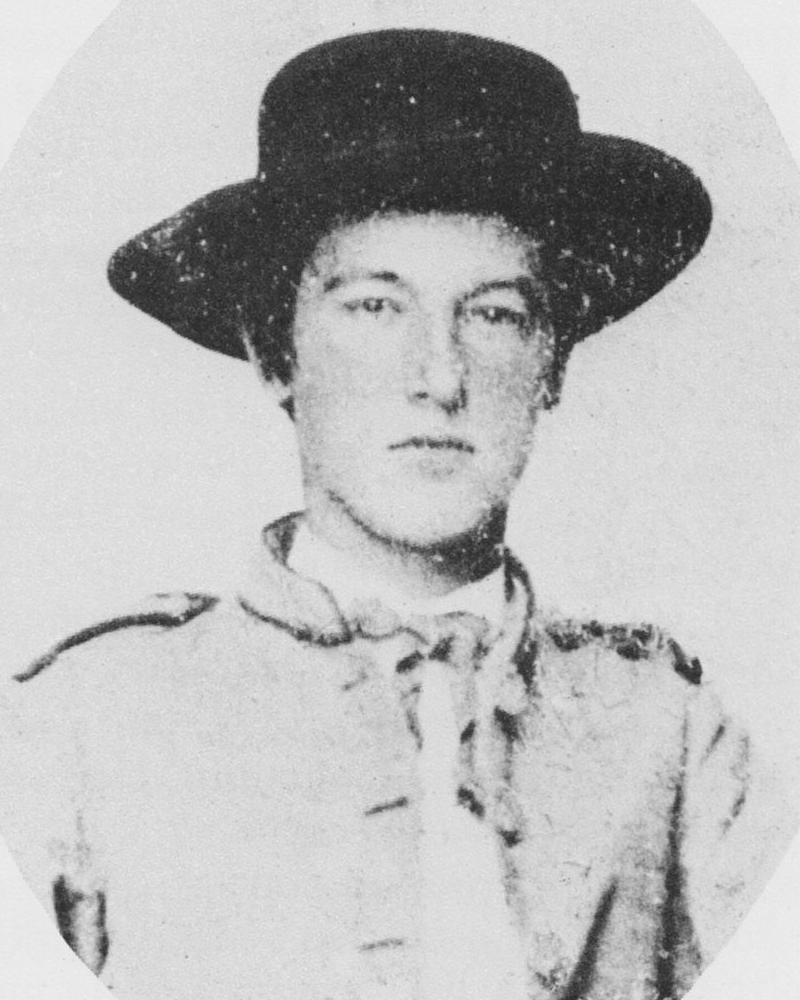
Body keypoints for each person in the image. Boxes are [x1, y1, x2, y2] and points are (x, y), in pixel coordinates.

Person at [0, 27, 776, 1000]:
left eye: (495, 314)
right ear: (274, 352)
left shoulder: (666, 730)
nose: (440, 377)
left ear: (554, 363)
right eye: (374, 307)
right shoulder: (82, 724)